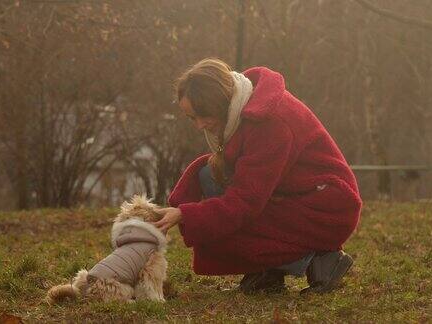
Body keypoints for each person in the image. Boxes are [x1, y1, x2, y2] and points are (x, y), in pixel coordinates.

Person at [153, 58, 362, 294]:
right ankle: (267, 272)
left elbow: (244, 202)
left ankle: (320, 261)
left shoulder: (271, 124)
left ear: (221, 104)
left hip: (327, 207)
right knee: (210, 177)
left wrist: (186, 214)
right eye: (192, 117)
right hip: (295, 195)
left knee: (229, 221)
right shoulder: (241, 109)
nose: (199, 125)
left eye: (204, 115)